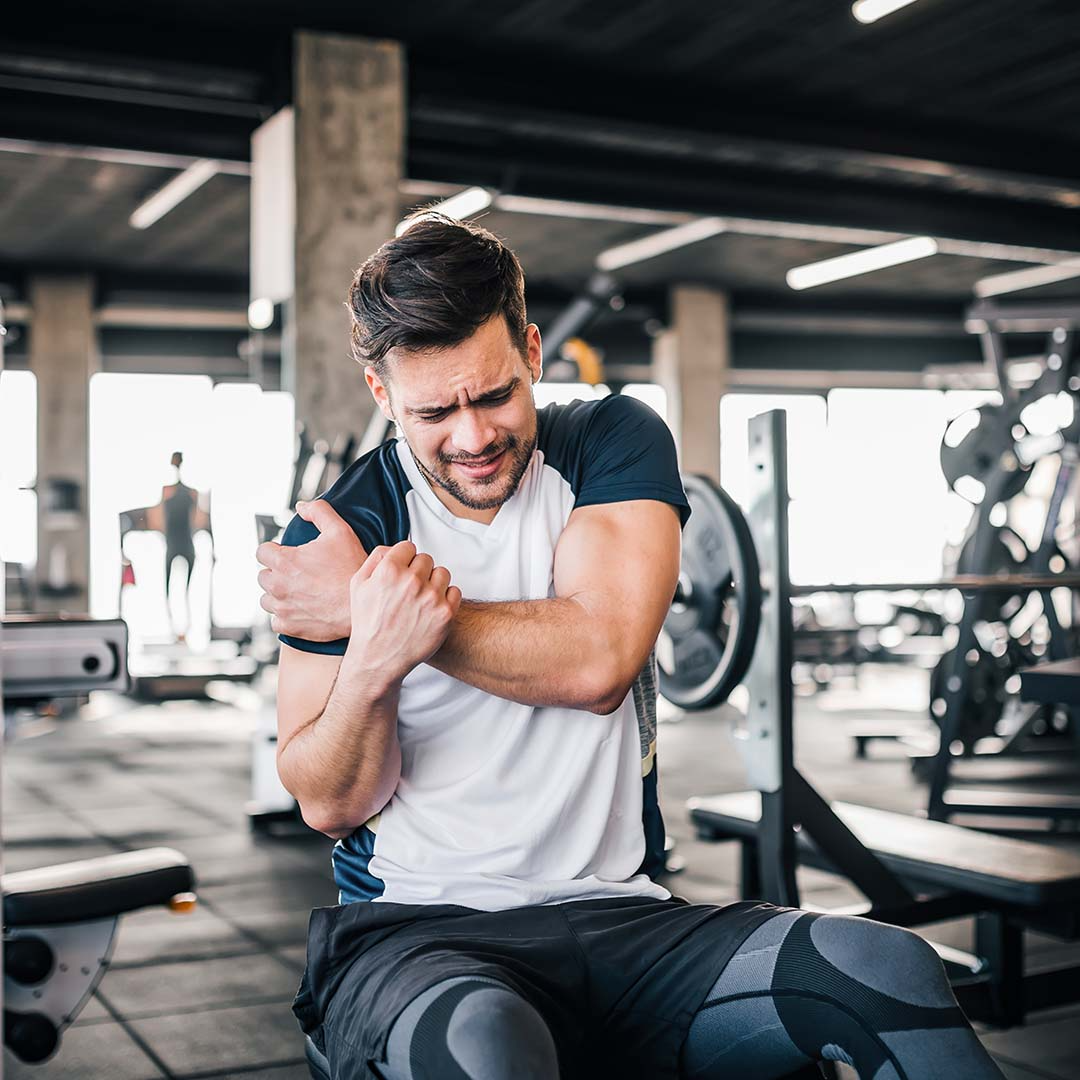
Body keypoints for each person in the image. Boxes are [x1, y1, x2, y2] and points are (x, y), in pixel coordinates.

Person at [255, 215, 1004, 1080]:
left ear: (532, 351)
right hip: (419, 934)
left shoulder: (610, 440)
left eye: (494, 395)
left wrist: (396, 617)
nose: (472, 437)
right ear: (382, 396)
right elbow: (329, 801)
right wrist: (374, 660)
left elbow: (599, 660)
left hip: (629, 918)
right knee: (485, 1044)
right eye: (434, 411)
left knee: (883, 968)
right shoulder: (341, 534)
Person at [161, 451, 199, 642]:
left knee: (185, 590)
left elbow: (196, 521)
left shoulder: (186, 493)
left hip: (182, 543)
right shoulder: (171, 491)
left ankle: (185, 629)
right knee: (171, 589)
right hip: (176, 543)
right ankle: (174, 628)